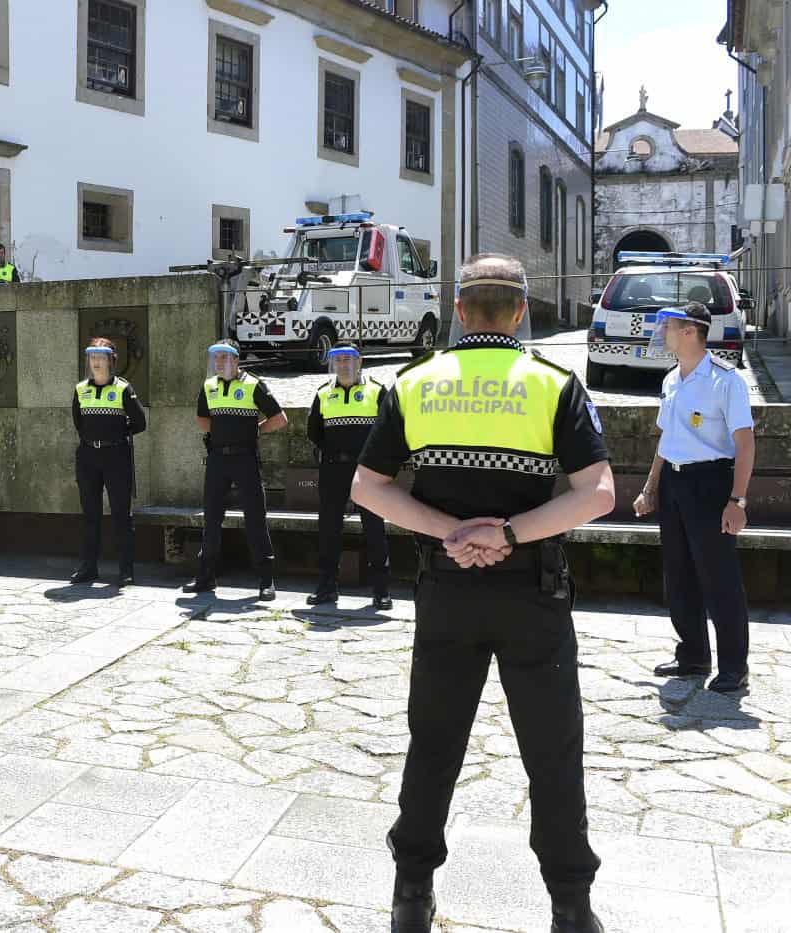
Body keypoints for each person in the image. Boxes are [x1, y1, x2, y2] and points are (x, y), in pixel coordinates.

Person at [352, 254, 613, 933]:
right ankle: (571, 905)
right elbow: (598, 493)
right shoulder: (553, 385)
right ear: (521, 311)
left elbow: (366, 487)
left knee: (433, 743)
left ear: (459, 310)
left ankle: (412, 894)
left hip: (447, 589)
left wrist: (452, 532)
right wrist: (509, 532)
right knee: (553, 751)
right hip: (534, 592)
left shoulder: (414, 383)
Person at [634, 302, 754, 693]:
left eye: (670, 326)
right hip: (674, 482)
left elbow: (745, 443)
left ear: (690, 331)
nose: (663, 333)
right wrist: (651, 487)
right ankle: (693, 655)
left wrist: (737, 501)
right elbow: (666, 439)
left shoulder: (726, 380)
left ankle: (734, 666)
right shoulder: (672, 379)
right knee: (679, 573)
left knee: (719, 577)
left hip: (710, 483)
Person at [183, 339, 287, 601]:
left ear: (237, 359)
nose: (220, 362)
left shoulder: (253, 384)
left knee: (255, 518)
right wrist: (223, 434)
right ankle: (206, 577)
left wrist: (254, 431)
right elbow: (202, 418)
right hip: (217, 459)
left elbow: (279, 419)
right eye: (216, 358)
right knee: (211, 519)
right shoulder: (209, 386)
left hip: (245, 459)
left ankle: (266, 580)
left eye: (225, 357)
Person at [307, 343, 390, 609]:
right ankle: (327, 587)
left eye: (348, 359)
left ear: (359, 362)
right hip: (333, 470)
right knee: (329, 529)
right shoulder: (323, 393)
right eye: (338, 360)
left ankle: (381, 590)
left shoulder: (376, 390)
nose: (343, 364)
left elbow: (390, 429)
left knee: (374, 528)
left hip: (365, 471)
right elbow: (314, 431)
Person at [70, 338, 147, 587]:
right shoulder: (81, 389)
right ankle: (88, 567)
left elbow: (140, 423)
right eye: (92, 357)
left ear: (111, 361)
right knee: (90, 514)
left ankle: (125, 570)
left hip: (116, 456)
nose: (96, 362)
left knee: (121, 514)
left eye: (101, 357)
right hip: (88, 456)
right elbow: (78, 422)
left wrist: (116, 434)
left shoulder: (123, 389)